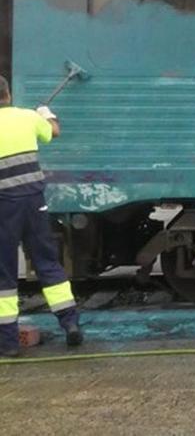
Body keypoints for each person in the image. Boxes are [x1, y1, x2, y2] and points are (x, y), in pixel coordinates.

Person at [0, 75, 83, 357]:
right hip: (34, 203)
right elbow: (54, 132)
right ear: (8, 94)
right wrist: (46, 114)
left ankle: (9, 344)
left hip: (4, 208)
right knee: (48, 262)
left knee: (5, 274)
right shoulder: (26, 118)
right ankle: (71, 324)